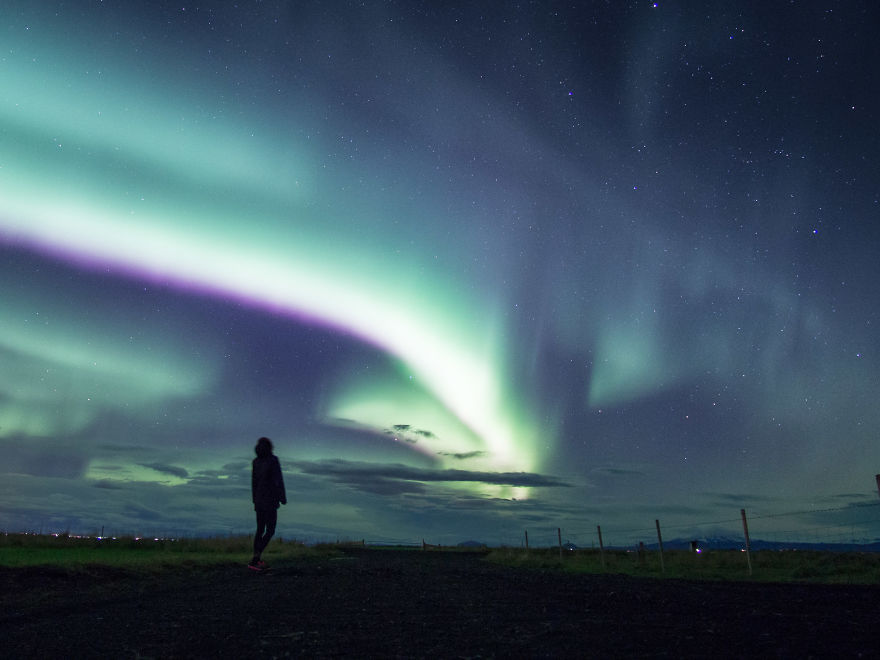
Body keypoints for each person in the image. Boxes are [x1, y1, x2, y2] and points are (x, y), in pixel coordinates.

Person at [249, 436, 286, 571]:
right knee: (270, 530)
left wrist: (254, 499)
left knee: (260, 529)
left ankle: (256, 558)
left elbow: (254, 482)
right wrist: (282, 497)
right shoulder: (273, 460)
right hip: (270, 500)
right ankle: (256, 559)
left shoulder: (256, 461)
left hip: (259, 500)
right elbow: (278, 480)